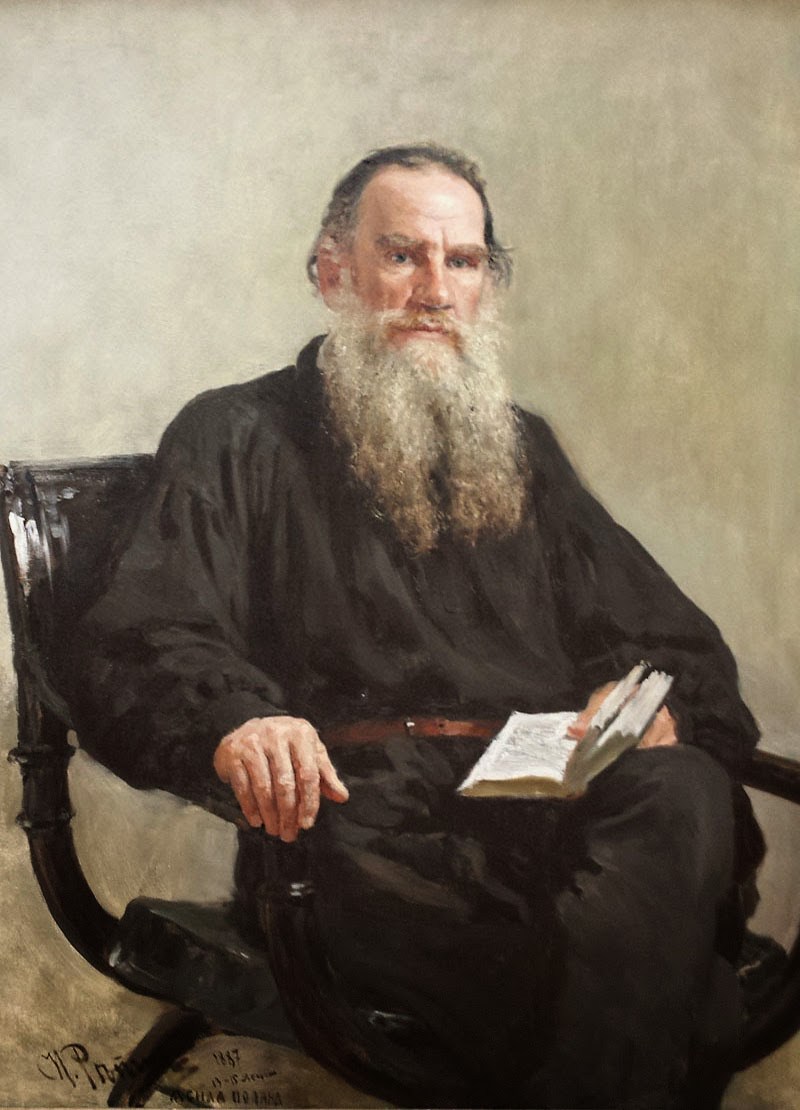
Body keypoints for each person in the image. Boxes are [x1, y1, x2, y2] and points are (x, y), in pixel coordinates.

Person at [65, 144, 764, 1108]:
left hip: (552, 812)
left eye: (462, 261)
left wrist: (643, 703)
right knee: (653, 973)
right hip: (363, 825)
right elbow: (142, 635)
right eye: (403, 256)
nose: (435, 291)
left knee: (682, 791)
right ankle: (674, 1012)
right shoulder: (236, 433)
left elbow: (669, 640)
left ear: (486, 286)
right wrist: (238, 720)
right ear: (332, 275)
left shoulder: (523, 448)